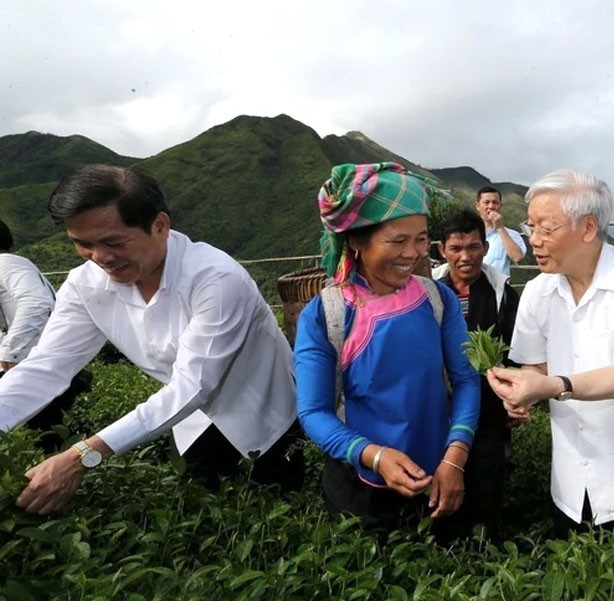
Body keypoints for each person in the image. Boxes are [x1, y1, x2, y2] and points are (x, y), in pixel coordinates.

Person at [0, 165, 304, 515]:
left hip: (262, 403)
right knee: (197, 504)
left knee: (277, 505)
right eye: (83, 244)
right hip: (186, 414)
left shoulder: (216, 279)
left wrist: (81, 455)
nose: (100, 258)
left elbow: (194, 385)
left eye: (114, 242)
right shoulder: (85, 286)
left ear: (160, 225)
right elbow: (47, 366)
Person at [486, 169, 614, 537]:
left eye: (546, 229)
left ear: (588, 228)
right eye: (531, 228)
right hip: (570, 490)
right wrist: (519, 392)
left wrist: (550, 386)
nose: (535, 241)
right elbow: (535, 369)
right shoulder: (537, 293)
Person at [295, 162, 481, 537]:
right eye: (398, 240)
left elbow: (465, 380)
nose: (413, 253)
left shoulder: (436, 298)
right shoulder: (328, 313)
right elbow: (314, 412)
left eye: (420, 238)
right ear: (356, 241)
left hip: (440, 478)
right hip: (362, 489)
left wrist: (456, 456)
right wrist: (375, 456)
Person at [432, 208, 520, 537]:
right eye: (456, 249)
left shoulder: (502, 294)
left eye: (473, 247)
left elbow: (516, 348)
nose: (465, 257)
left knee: (487, 475)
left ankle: (484, 545)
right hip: (440, 405)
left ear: (485, 247)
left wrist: (514, 396)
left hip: (489, 407)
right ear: (442, 250)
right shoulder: (431, 292)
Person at [0, 219, 92, 450]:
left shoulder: (6, 263)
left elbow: (36, 303)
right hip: (28, 364)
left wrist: (10, 353)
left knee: (44, 440)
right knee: (42, 436)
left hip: (28, 366)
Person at [475, 186, 527, 278]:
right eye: (486, 202)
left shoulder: (512, 235)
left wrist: (500, 227)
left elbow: (517, 257)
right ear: (478, 206)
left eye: (495, 202)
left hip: (498, 289)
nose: (491, 206)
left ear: (500, 206)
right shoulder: (469, 233)